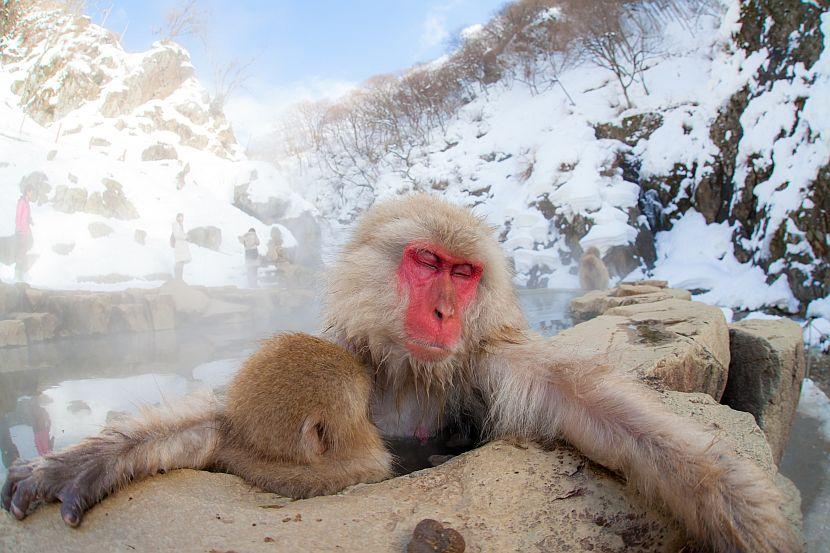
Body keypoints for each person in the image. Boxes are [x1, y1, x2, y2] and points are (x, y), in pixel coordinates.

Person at [14, 186, 35, 282]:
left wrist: (29, 221)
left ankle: (21, 274)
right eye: (31, 192)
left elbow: (25, 216)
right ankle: (17, 276)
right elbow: (18, 216)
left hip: (25, 231)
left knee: (23, 252)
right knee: (20, 253)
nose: (32, 194)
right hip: (21, 231)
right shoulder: (22, 202)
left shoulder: (26, 202)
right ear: (27, 191)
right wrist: (19, 229)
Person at [171, 213, 191, 281]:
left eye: (182, 217)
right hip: (179, 245)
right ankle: (178, 278)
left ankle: (180, 278)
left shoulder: (180, 225)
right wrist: (186, 236)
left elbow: (180, 234)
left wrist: (186, 236)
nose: (181, 219)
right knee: (179, 261)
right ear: (177, 218)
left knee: (181, 262)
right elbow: (177, 235)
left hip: (182, 245)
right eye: (179, 217)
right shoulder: (175, 224)